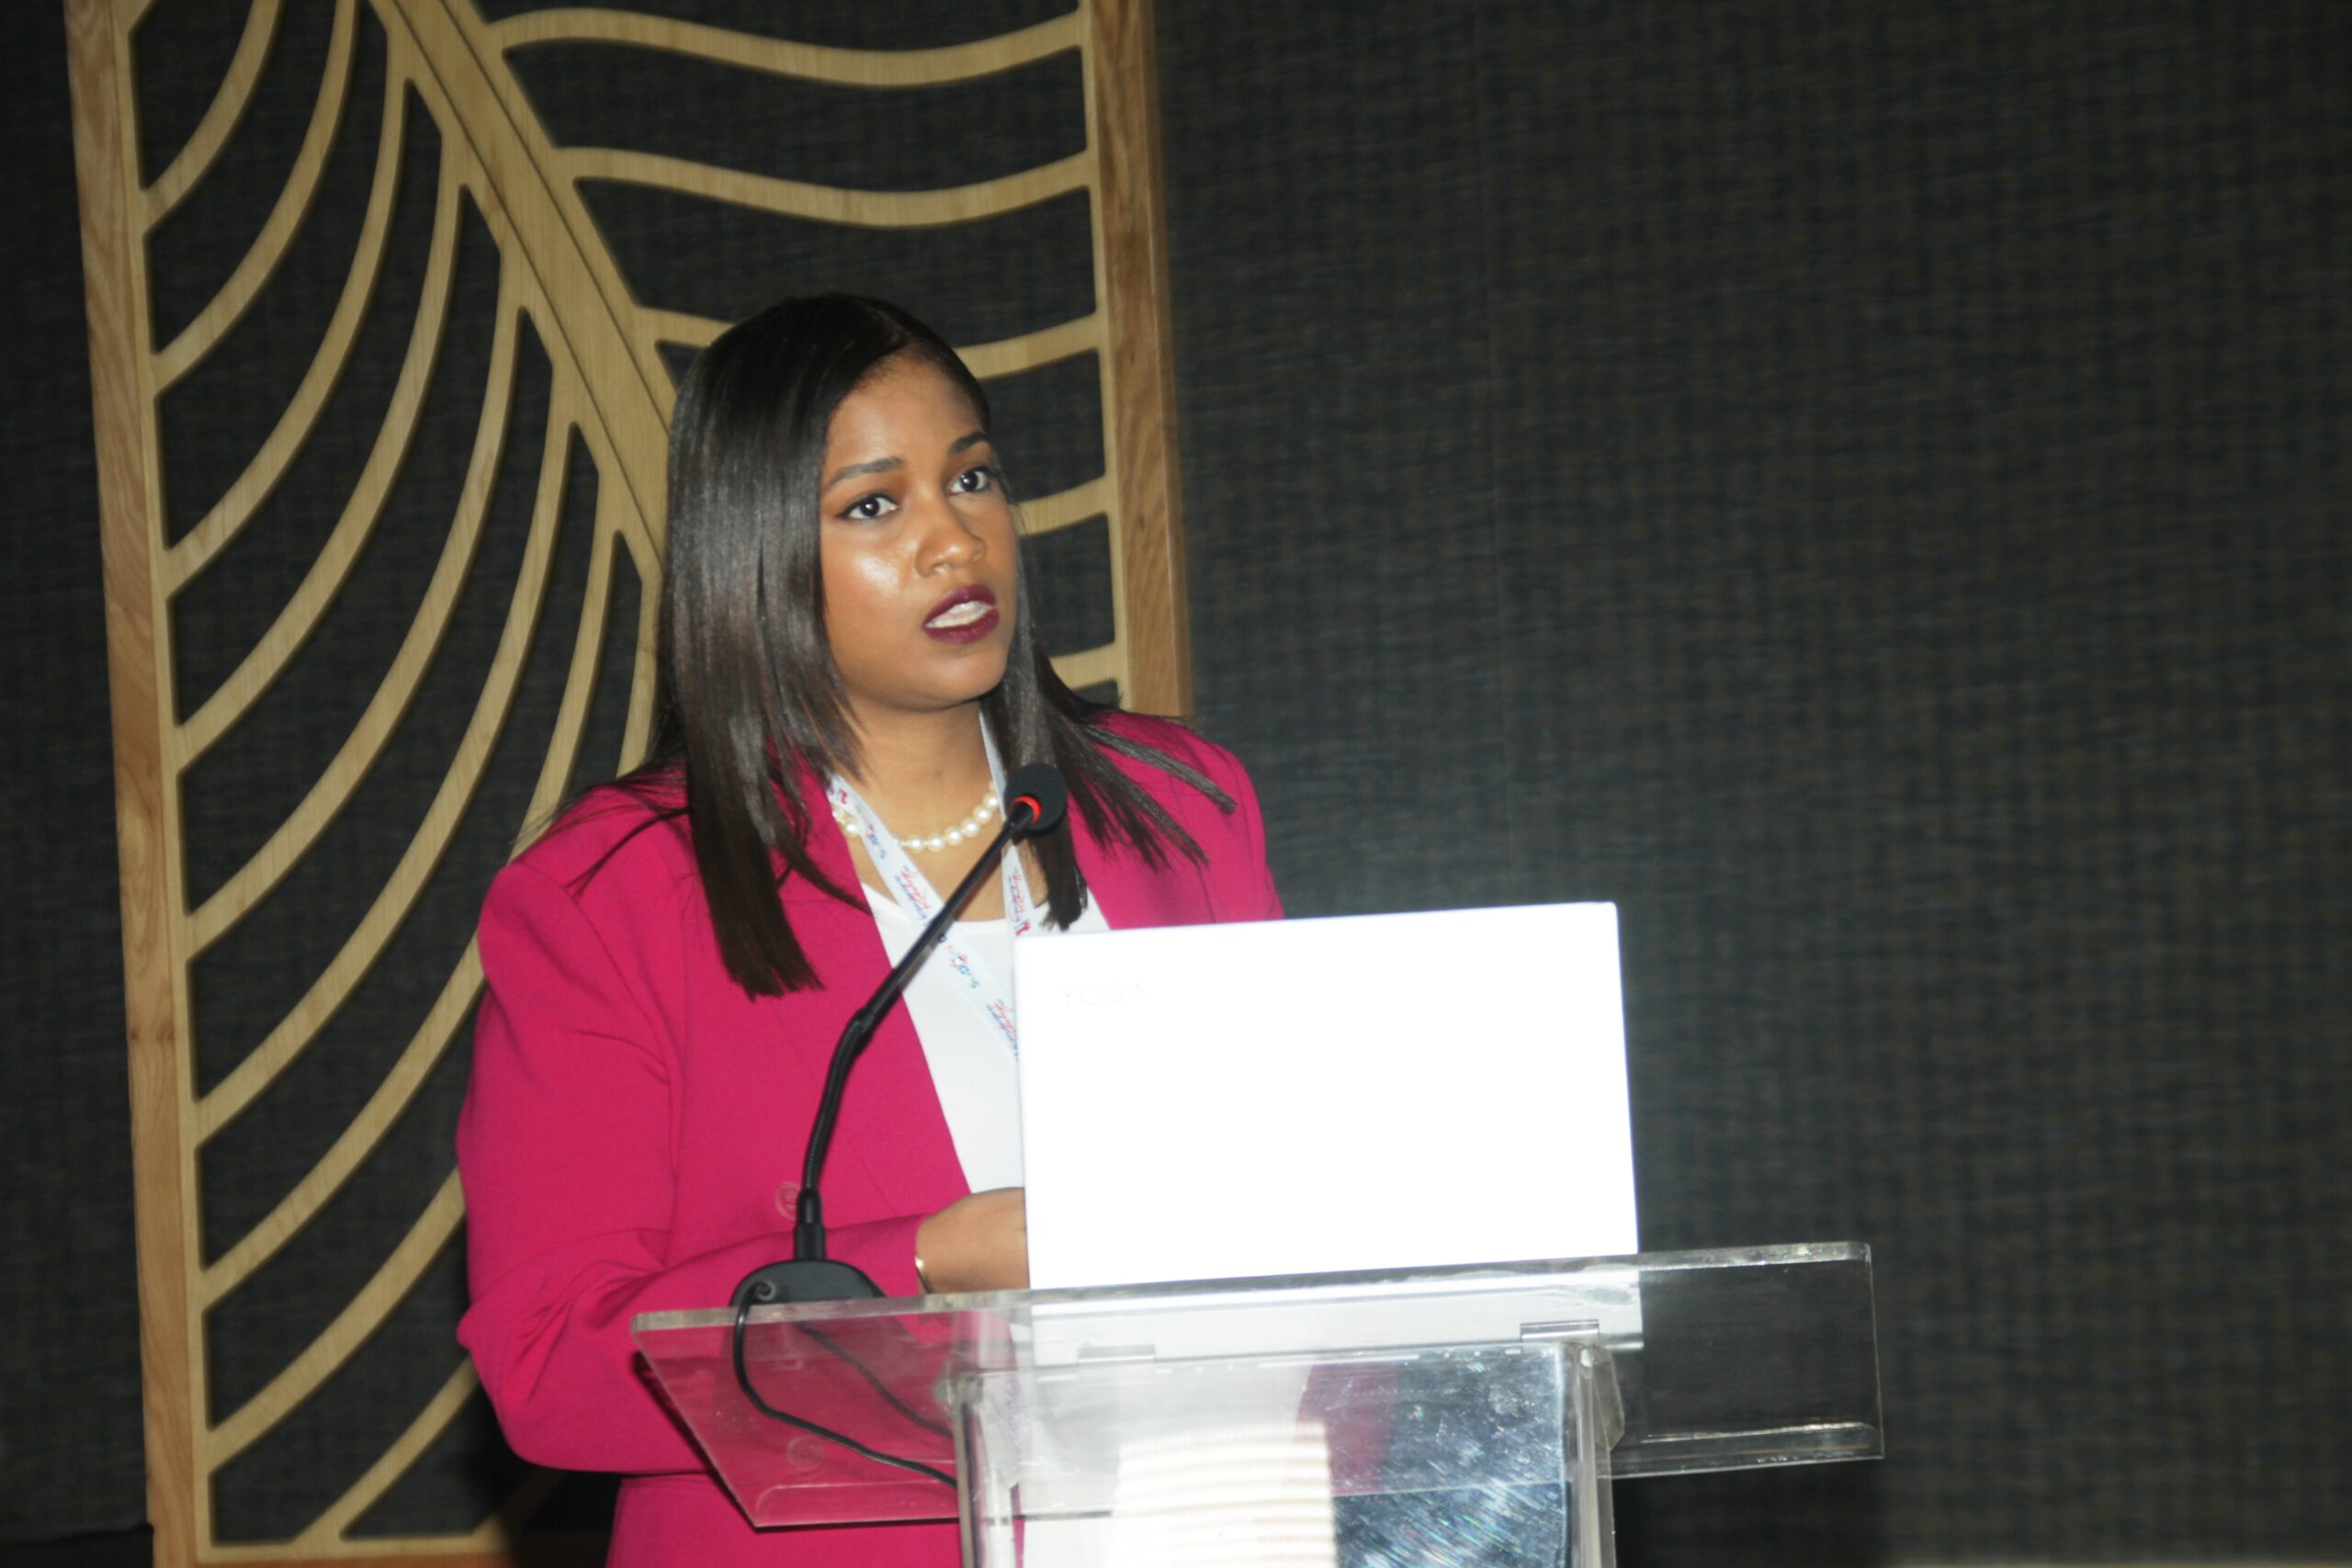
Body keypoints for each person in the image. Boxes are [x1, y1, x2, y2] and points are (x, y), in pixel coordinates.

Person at [455, 294, 1282, 1566]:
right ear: (758, 556)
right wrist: (927, 1264)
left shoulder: (1182, 805)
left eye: (973, 478)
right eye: (875, 505)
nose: (955, 539)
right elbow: (550, 1361)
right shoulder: (611, 895)